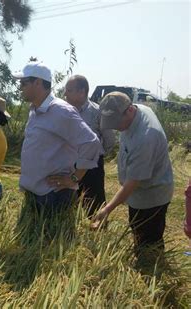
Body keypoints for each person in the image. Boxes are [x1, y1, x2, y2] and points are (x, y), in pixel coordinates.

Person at [12, 61, 102, 216]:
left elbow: (92, 143)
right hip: (34, 192)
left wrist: (74, 178)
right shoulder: (35, 109)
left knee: (50, 240)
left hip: (53, 196)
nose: (20, 87)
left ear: (38, 83)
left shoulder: (61, 111)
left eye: (24, 83)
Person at [92, 92, 174, 258]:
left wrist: (107, 209)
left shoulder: (146, 137)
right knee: (137, 230)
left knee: (149, 240)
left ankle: (152, 271)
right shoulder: (138, 110)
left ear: (129, 110)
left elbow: (132, 182)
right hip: (138, 192)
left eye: (117, 122)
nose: (116, 128)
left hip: (151, 196)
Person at [64, 75, 117, 217]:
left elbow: (110, 140)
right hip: (69, 163)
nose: (64, 94)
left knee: (94, 203)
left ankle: (97, 232)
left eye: (69, 90)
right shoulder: (63, 111)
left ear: (82, 92)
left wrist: (96, 156)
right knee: (69, 202)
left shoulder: (98, 112)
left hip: (92, 167)